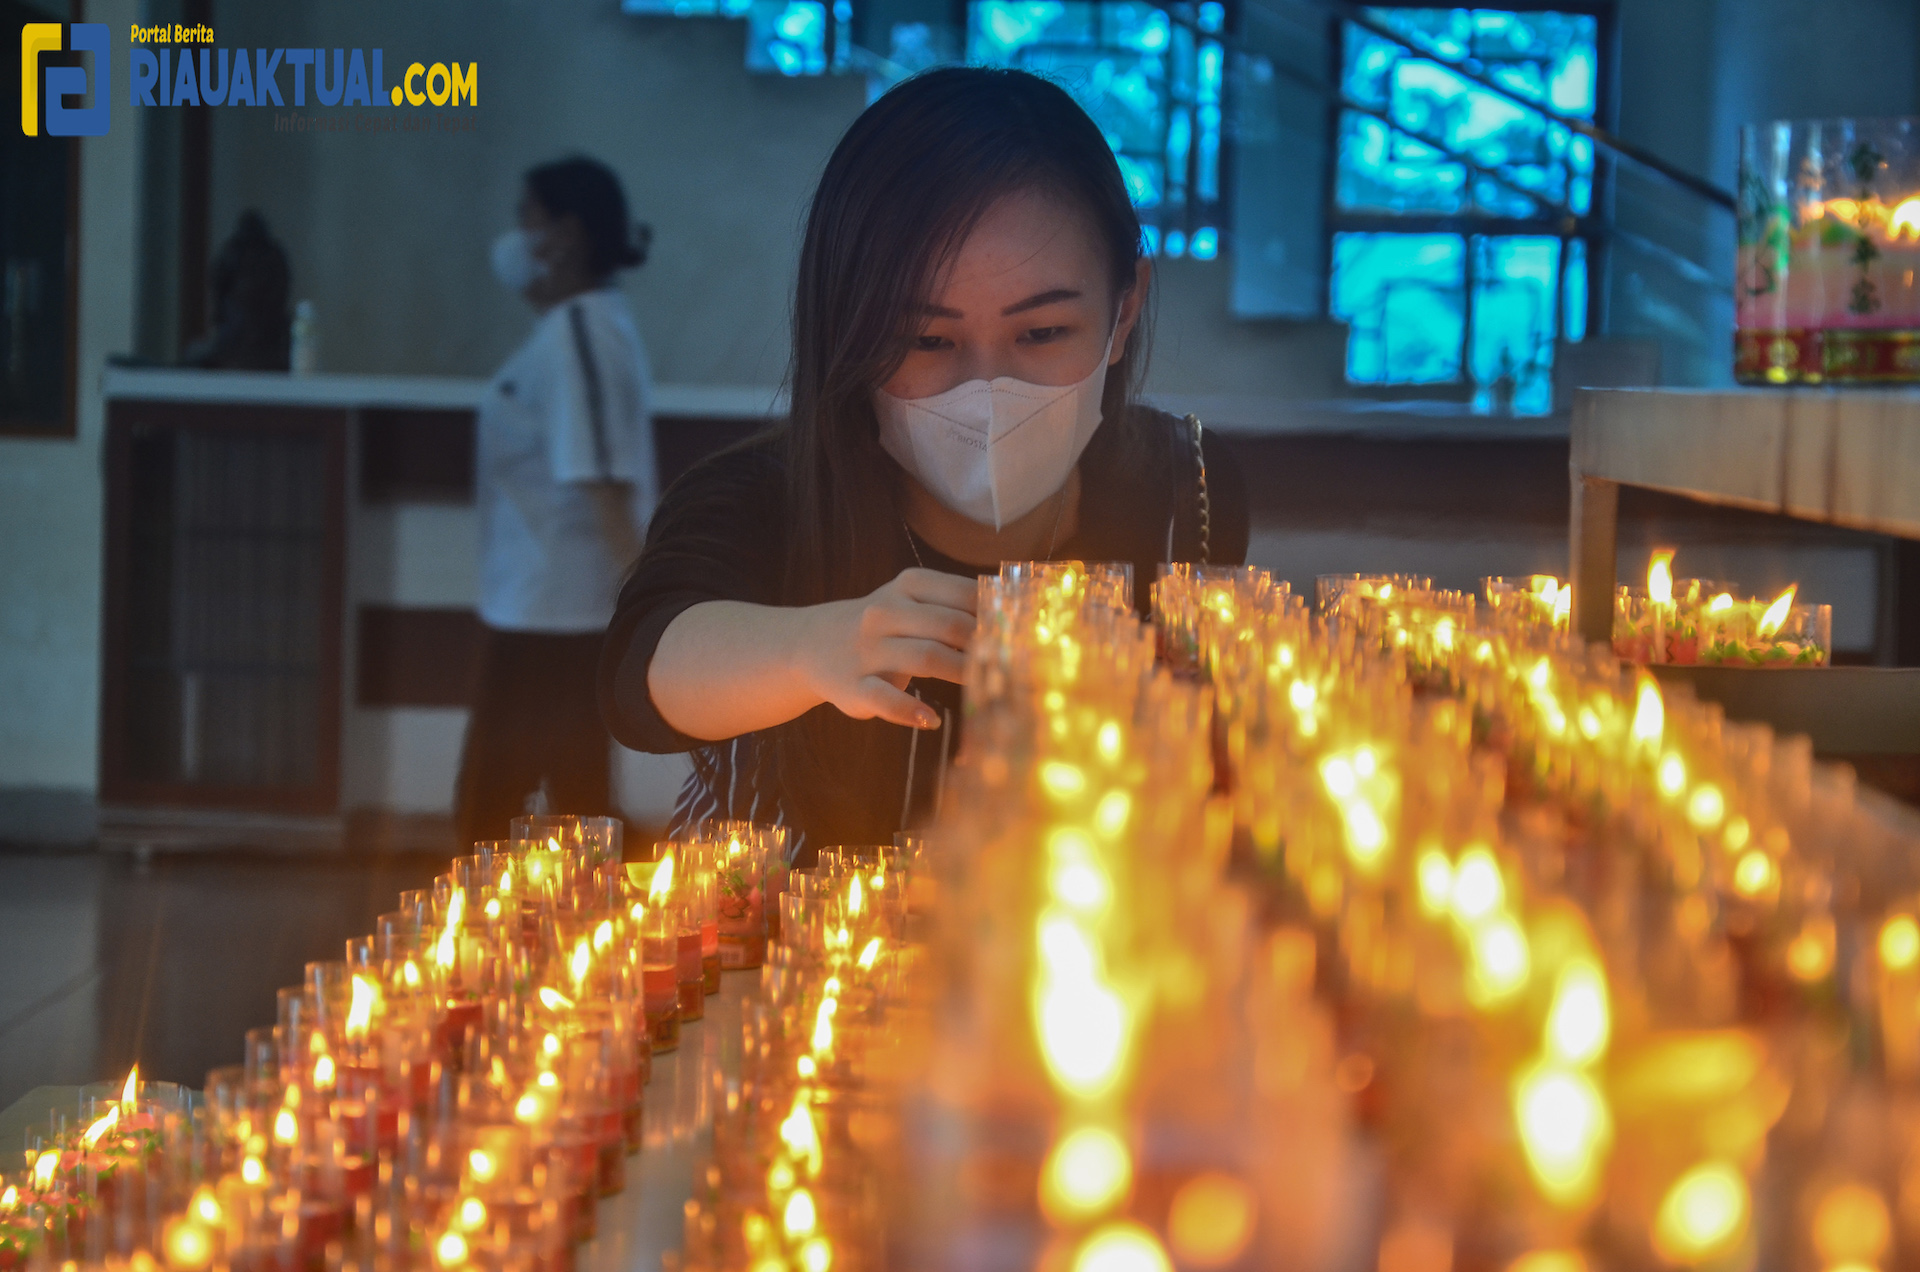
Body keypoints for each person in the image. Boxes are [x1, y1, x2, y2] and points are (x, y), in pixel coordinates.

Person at [598, 68, 1248, 857]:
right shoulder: (763, 497)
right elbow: (644, 674)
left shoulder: (1183, 490)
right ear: (851, 332)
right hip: (783, 965)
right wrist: (814, 648)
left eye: (1041, 334)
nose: (987, 390)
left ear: (1124, 311)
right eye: (927, 341)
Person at [455, 156, 657, 847]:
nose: (515, 237)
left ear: (565, 234)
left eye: (527, 218)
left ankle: (502, 949)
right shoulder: (565, 332)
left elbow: (604, 483)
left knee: (513, 814)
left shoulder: (581, 334)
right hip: (534, 608)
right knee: (542, 809)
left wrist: (650, 609)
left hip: (559, 618)